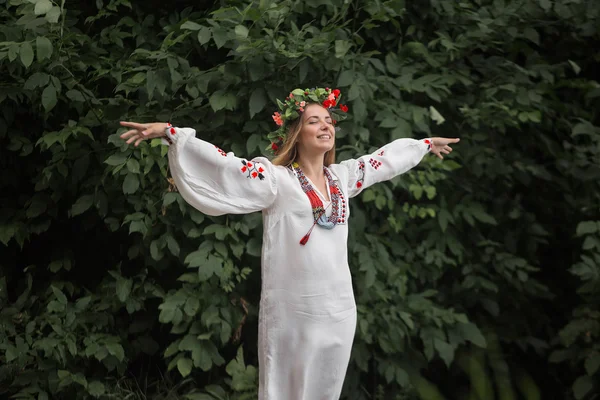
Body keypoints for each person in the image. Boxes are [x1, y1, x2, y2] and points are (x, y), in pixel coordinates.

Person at [120, 87, 459, 400]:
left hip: (338, 309)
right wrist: (172, 132)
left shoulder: (341, 177)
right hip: (293, 311)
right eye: (315, 121)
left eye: (329, 120)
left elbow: (382, 161)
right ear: (297, 132)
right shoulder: (275, 180)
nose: (326, 126)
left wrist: (424, 145)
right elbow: (226, 166)